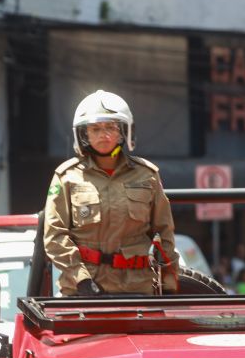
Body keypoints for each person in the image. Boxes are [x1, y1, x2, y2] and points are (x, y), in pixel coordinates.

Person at [44, 90, 179, 296]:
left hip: (137, 290)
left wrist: (169, 285)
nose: (103, 134)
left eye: (111, 127)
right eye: (95, 128)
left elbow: (165, 233)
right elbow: (54, 236)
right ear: (84, 134)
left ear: (124, 131)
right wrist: (80, 278)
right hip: (83, 293)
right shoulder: (66, 177)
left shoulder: (147, 175)